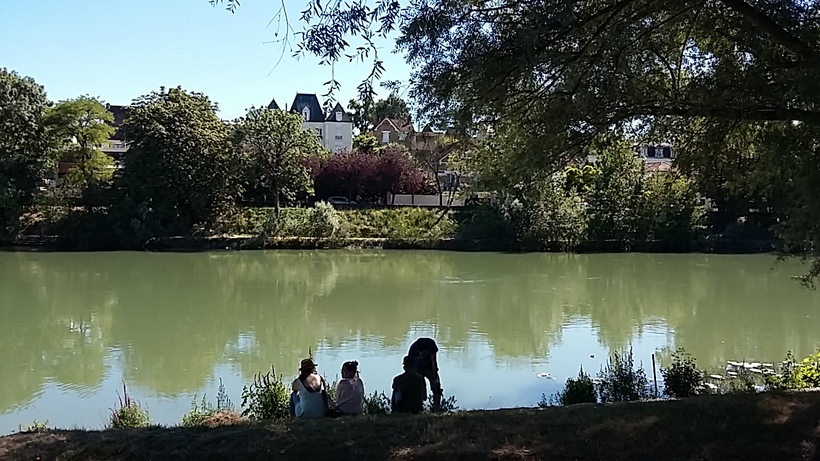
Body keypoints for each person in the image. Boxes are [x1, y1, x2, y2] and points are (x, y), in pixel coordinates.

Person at [408, 337, 443, 411]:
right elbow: (410, 367)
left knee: (436, 386)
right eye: (420, 354)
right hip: (418, 367)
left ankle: (436, 409)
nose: (421, 355)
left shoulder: (431, 345)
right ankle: (419, 407)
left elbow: (434, 362)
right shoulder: (413, 350)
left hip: (429, 367)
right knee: (418, 386)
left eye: (423, 354)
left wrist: (435, 378)